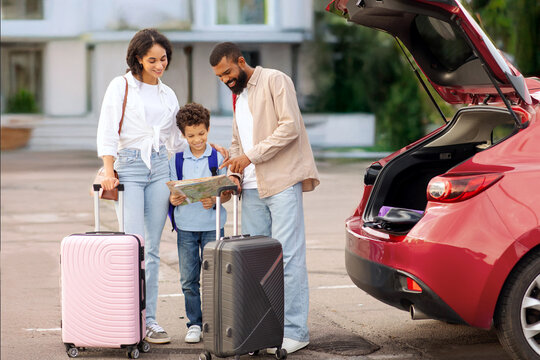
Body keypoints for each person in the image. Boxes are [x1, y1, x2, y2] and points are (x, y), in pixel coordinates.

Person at [96, 29, 228, 344]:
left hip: (158, 167)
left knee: (152, 248)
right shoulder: (121, 86)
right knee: (132, 244)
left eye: (163, 58)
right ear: (138, 59)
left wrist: (211, 149)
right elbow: (107, 129)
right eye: (152, 60)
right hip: (128, 167)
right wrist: (108, 170)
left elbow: (176, 140)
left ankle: (149, 320)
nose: (159, 65)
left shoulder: (167, 94)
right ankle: (127, 316)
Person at [209, 42, 320, 355]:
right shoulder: (239, 97)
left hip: (282, 182)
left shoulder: (275, 80)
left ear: (241, 62)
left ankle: (296, 332)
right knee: (257, 265)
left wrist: (249, 156)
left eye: (228, 73)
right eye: (220, 78)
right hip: (252, 189)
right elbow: (235, 143)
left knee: (288, 259)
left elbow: (290, 127)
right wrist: (234, 171)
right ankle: (264, 330)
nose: (226, 80)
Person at [168, 103, 230, 344]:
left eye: (202, 134)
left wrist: (215, 199)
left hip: (213, 226)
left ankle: (214, 322)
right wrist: (174, 198)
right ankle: (194, 323)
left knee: (216, 277)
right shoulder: (177, 160)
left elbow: (226, 193)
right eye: (191, 135)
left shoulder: (218, 156)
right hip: (185, 227)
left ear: (208, 129)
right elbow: (173, 193)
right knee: (188, 278)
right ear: (183, 135)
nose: (197, 139)